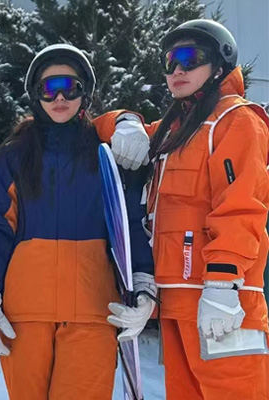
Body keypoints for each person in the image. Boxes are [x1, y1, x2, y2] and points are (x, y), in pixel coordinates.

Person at [0, 43, 155, 400]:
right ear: (35, 95)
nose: (60, 98)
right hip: (25, 315)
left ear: (85, 94)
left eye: (70, 87)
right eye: (49, 88)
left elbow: (129, 222)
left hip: (93, 312)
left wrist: (144, 284)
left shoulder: (105, 153)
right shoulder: (15, 155)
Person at [111, 19, 269, 399]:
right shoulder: (174, 131)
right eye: (170, 61)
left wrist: (222, 285)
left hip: (224, 301)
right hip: (176, 301)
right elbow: (94, 129)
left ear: (218, 65)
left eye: (189, 57)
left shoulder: (236, 121)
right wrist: (125, 120)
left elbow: (242, 208)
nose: (177, 69)